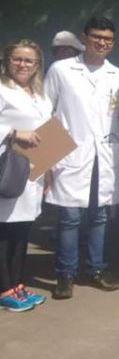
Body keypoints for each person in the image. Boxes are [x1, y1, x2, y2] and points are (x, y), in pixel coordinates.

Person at [44, 15, 119, 300]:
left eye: (107, 39)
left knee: (99, 216)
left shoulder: (116, 74)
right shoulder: (61, 70)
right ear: (85, 38)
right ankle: (65, 273)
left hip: (105, 155)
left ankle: (96, 268)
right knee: (69, 217)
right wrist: (46, 161)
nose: (102, 42)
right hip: (69, 155)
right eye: (96, 37)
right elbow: (45, 112)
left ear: (113, 43)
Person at [0, 40, 52, 311]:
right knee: (4, 230)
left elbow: (46, 130)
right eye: (17, 59)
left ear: (37, 65)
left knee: (22, 231)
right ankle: (4, 289)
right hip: (8, 169)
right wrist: (12, 132)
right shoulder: (2, 89)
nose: (22, 64)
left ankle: (18, 284)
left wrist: (49, 169)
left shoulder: (40, 95)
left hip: (34, 170)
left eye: (28, 60)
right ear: (7, 61)